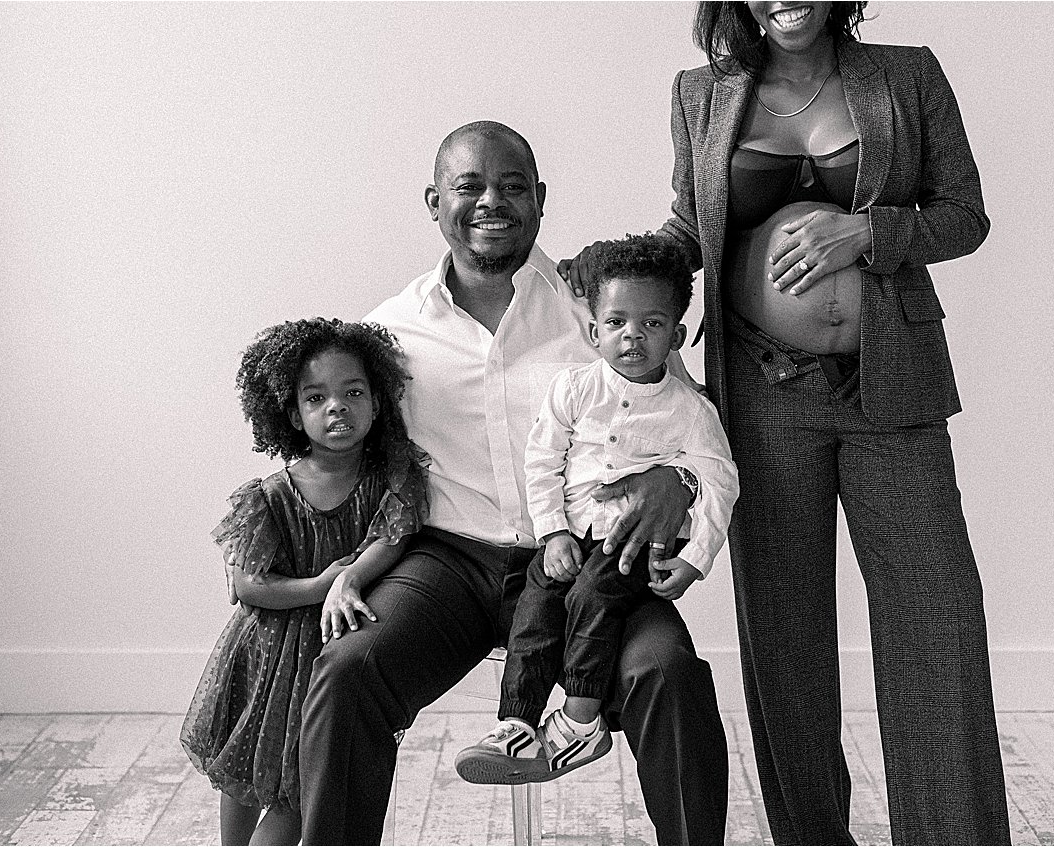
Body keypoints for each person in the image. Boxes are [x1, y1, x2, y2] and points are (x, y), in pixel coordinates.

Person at [559, 3, 1011, 844]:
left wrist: (864, 232)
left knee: (937, 622)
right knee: (785, 635)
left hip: (893, 384)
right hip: (762, 391)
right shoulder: (701, 93)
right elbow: (692, 226)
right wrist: (611, 278)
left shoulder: (905, 73)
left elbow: (964, 213)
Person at [296, 122, 730, 845]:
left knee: (668, 672)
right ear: (434, 201)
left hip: (588, 559)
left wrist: (679, 479)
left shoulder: (598, 310)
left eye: (512, 185)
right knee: (346, 672)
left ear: (540, 199)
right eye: (468, 186)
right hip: (448, 562)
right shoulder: (387, 333)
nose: (490, 200)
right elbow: (335, 442)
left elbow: (690, 422)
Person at [454, 234, 738, 785]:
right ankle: (516, 721)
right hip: (572, 535)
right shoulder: (575, 388)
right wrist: (553, 534)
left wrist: (696, 558)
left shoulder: (689, 411)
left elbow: (720, 480)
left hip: (634, 542)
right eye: (616, 323)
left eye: (652, 325)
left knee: (592, 595)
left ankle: (581, 719)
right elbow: (543, 462)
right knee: (538, 605)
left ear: (677, 335)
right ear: (595, 331)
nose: (632, 335)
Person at [182, 318, 427, 846]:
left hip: (328, 653)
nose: (336, 407)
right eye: (316, 398)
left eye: (353, 392)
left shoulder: (391, 476)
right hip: (267, 653)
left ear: (379, 402)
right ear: (293, 414)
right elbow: (251, 585)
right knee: (248, 765)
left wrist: (351, 579)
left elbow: (394, 538)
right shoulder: (271, 495)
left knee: (300, 781)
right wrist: (326, 584)